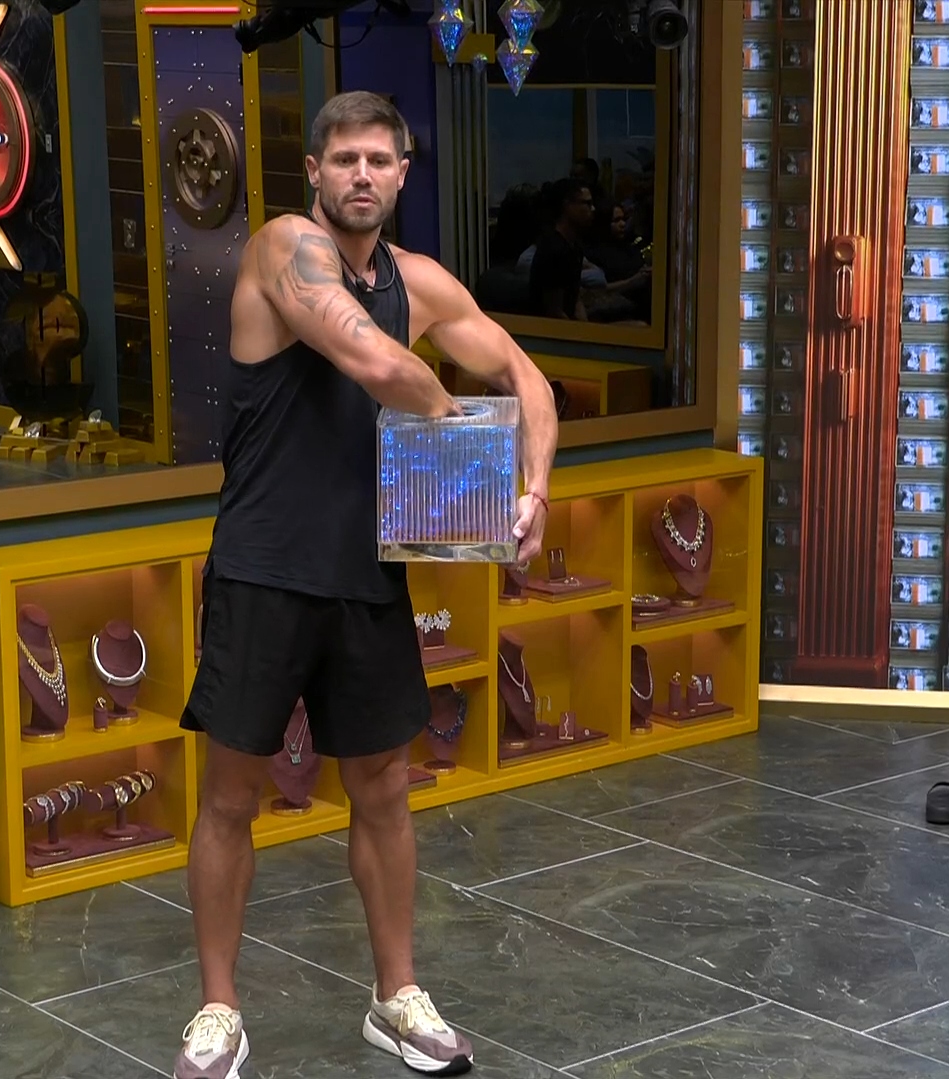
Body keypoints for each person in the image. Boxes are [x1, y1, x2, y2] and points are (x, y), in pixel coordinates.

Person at [174, 90, 557, 1079]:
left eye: (378, 160)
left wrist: (532, 488)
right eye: (342, 158)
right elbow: (374, 360)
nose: (360, 175)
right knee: (231, 794)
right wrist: (466, 455)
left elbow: (524, 375)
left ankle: (396, 996)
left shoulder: (418, 280)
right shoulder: (283, 248)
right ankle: (217, 1010)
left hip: (365, 572)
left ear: (401, 173)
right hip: (261, 567)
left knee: (383, 786)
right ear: (313, 170)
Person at [526, 177, 591, 319]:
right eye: (586, 203)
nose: (592, 209)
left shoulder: (574, 246)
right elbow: (554, 312)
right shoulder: (554, 249)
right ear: (567, 205)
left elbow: (574, 299)